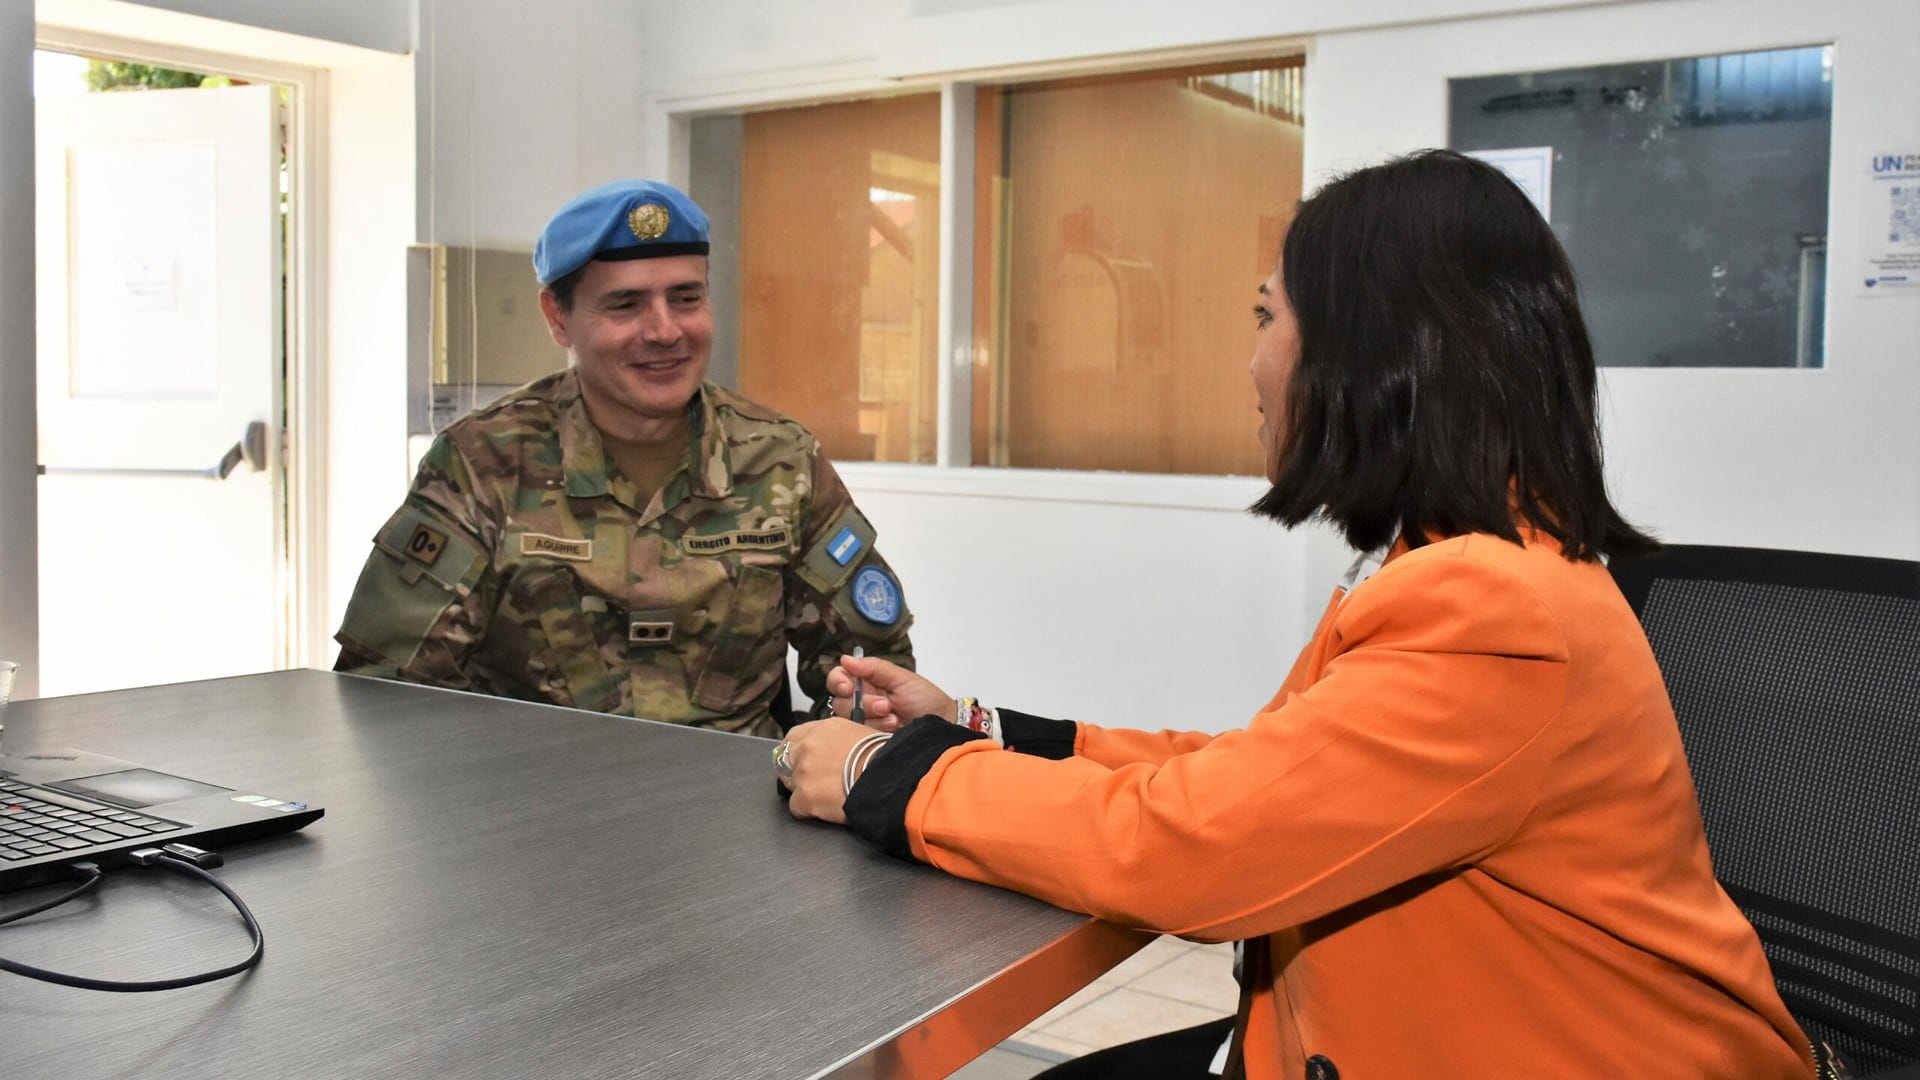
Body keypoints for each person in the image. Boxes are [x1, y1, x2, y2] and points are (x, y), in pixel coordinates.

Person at [775, 150, 1816, 1078]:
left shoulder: (1494, 611)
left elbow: (1200, 852)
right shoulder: (1457, 565)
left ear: (1367, 350)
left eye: (1267, 316)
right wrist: (977, 733)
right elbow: (1259, 781)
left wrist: (885, 777)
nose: (1253, 361)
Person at [335, 180, 914, 737]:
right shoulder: (484, 463)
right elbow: (385, 691)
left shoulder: (780, 460)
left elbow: (873, 663)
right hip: (538, 810)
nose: (665, 331)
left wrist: (836, 746)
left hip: (738, 807)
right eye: (625, 305)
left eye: (686, 298)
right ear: (558, 318)